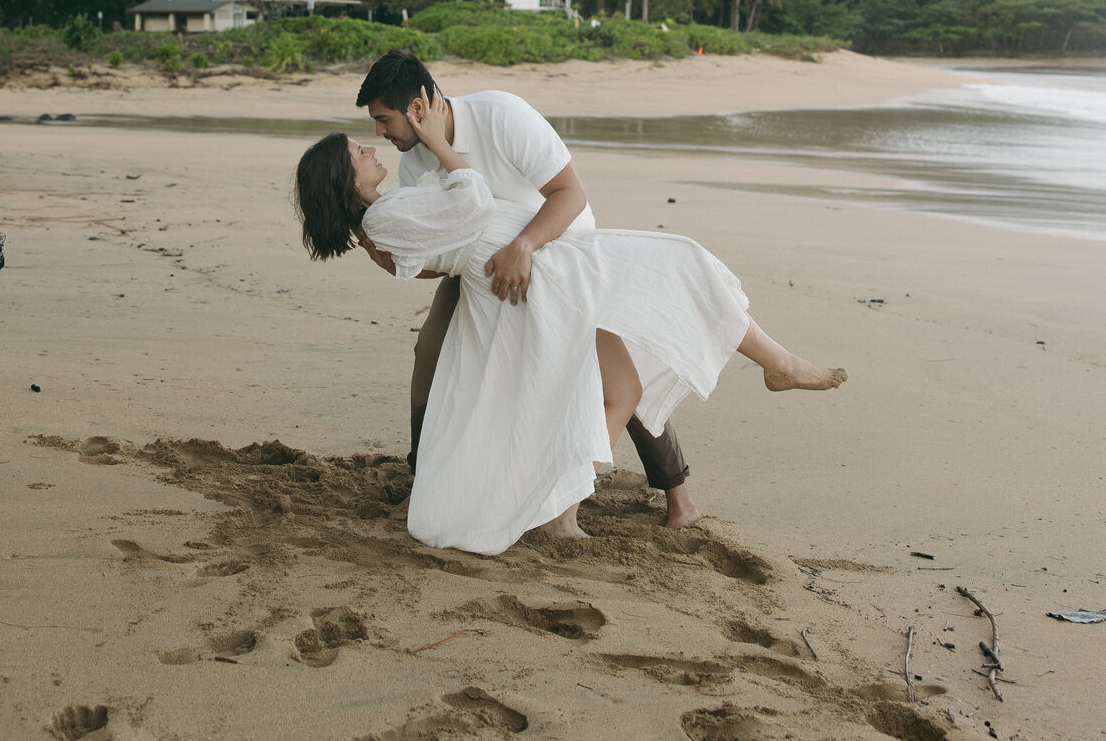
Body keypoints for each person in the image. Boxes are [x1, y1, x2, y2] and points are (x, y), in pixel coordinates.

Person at [293, 92, 847, 557]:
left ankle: (568, 504)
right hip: (546, 278)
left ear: (417, 107)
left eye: (378, 127)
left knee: (660, 313)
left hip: (549, 264)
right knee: (679, 276)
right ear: (346, 176)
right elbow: (474, 199)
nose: (372, 142)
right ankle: (778, 368)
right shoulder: (389, 211)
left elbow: (442, 245)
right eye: (359, 149)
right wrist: (441, 144)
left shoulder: (411, 192)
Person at [354, 49, 700, 529]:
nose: (380, 133)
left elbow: (570, 196)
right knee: (431, 353)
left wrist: (525, 245)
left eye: (384, 119)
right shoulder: (415, 164)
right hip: (483, 273)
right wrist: (391, 256)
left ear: (418, 106)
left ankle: (677, 495)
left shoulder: (502, 115)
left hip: (561, 252)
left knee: (607, 374)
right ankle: (425, 479)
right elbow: (440, 251)